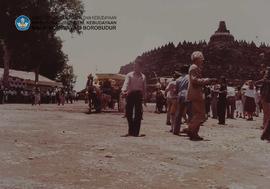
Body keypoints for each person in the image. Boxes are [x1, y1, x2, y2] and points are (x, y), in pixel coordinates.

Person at [186, 51, 217, 141]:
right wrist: (208, 80)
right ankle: (191, 130)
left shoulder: (195, 67)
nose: (202, 61)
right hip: (196, 93)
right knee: (200, 114)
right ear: (197, 59)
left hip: (196, 92)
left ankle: (193, 132)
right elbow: (194, 80)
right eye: (201, 59)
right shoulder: (194, 67)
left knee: (199, 114)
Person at [121, 61, 147, 137]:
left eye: (137, 66)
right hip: (130, 94)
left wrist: (145, 98)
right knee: (128, 113)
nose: (135, 67)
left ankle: (136, 132)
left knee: (138, 114)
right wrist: (123, 90)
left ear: (141, 67)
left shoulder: (143, 76)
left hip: (139, 95)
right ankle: (131, 130)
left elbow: (144, 88)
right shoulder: (129, 75)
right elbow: (126, 83)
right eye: (134, 66)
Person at [173, 65, 190, 135]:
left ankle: (176, 130)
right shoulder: (189, 78)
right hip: (188, 95)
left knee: (178, 114)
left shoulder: (178, 79)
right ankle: (190, 129)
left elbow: (176, 90)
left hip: (180, 96)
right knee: (190, 113)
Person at [256, 67, 270, 140]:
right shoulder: (265, 80)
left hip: (265, 98)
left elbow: (257, 82)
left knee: (266, 114)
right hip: (266, 98)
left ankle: (265, 127)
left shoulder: (265, 80)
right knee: (267, 114)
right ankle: (265, 131)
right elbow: (257, 83)